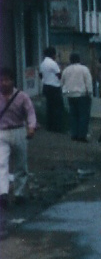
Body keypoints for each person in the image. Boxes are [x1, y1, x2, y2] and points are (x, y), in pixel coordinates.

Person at [0, 68, 37, 207]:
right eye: (1, 80)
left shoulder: (22, 96)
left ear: (12, 81)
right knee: (1, 163)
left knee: (20, 164)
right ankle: (2, 193)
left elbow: (30, 112)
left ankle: (19, 193)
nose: (3, 83)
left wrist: (31, 127)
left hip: (19, 131)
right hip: (2, 133)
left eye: (6, 80)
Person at [61, 53, 93, 142]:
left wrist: (66, 92)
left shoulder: (66, 70)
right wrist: (89, 93)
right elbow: (88, 82)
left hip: (70, 94)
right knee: (83, 115)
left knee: (73, 115)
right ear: (79, 59)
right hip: (82, 95)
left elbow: (62, 83)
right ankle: (82, 135)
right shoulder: (84, 69)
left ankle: (74, 134)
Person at [39, 47, 64, 133]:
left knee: (49, 107)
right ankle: (57, 127)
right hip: (54, 87)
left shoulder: (42, 63)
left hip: (46, 86)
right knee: (58, 108)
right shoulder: (53, 63)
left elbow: (40, 75)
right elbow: (59, 74)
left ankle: (49, 126)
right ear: (52, 54)